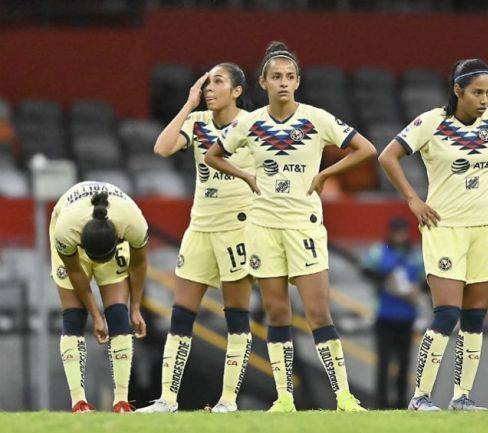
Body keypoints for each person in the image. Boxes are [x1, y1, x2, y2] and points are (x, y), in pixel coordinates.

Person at [205, 41, 377, 412]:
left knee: (319, 313)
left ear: (298, 82)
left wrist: (326, 174)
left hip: (304, 225)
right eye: (276, 77)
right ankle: (284, 398)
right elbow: (212, 155)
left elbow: (366, 149)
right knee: (277, 313)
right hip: (263, 226)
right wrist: (246, 177)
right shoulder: (249, 124)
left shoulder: (316, 119)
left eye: (289, 76)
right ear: (263, 82)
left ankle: (344, 397)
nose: (283, 82)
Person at [378, 58, 488, 411]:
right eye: (477, 92)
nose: (484, 99)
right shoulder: (431, 123)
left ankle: (462, 397)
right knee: (446, 313)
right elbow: (388, 156)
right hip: (445, 227)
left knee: (475, 316)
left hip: (487, 227)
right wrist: (413, 199)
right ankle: (420, 397)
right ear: (458, 90)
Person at [137, 63, 255, 414]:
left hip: (237, 230)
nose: (208, 88)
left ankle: (229, 401)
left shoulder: (253, 125)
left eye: (218, 82)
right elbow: (161, 148)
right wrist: (188, 104)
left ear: (236, 91)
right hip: (199, 229)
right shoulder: (197, 122)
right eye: (206, 83)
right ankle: (167, 399)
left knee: (236, 316)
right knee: (180, 315)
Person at [51, 183, 149, 413]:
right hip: (71, 234)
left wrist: (135, 308)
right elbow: (76, 273)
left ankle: (122, 401)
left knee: (118, 314)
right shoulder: (65, 232)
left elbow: (139, 262)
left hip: (111, 233)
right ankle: (78, 402)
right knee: (74, 316)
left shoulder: (133, 222)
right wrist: (95, 315)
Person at [361, 216, 423, 409]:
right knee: (384, 363)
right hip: (384, 315)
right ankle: (381, 404)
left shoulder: (416, 254)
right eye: (396, 231)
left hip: (406, 315)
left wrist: (416, 288)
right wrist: (386, 279)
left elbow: (426, 280)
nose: (399, 236)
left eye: (402, 231)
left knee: (404, 364)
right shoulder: (380, 251)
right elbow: (365, 270)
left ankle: (401, 404)